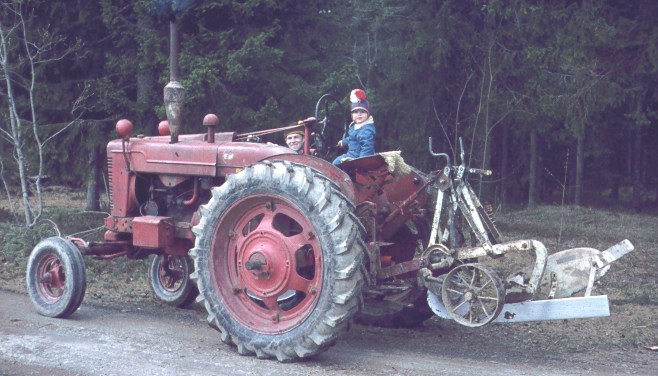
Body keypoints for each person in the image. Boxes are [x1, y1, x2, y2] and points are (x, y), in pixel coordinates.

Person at [332, 89, 376, 165]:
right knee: (337, 162)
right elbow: (352, 138)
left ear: (368, 114)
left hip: (358, 158)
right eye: (355, 112)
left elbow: (367, 147)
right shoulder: (355, 127)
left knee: (336, 163)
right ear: (352, 115)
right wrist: (343, 142)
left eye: (362, 112)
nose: (359, 114)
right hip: (352, 155)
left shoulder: (366, 129)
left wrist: (361, 162)